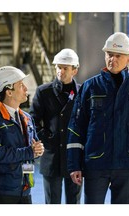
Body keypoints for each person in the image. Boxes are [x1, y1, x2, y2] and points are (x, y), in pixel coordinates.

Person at [66, 32, 129, 204]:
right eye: (109, 54)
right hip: (95, 164)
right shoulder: (90, 87)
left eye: (118, 55)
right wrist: (74, 164)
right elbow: (76, 127)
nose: (112, 59)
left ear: (128, 58)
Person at [0, 66, 44, 204]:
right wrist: (28, 152)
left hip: (25, 189)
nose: (26, 88)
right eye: (21, 85)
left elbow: (33, 145)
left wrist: (38, 149)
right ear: (9, 92)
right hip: (2, 192)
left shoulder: (26, 117)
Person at [29, 48, 82, 204]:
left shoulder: (82, 92)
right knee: (52, 202)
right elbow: (33, 121)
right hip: (52, 156)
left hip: (74, 156)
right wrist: (47, 139)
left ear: (75, 70)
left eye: (65, 68)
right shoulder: (43, 92)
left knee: (74, 201)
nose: (61, 71)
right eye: (59, 67)